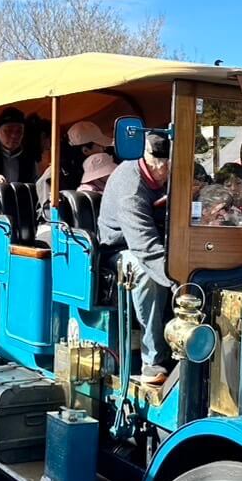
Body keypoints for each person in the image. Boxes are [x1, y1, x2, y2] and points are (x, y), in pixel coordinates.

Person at [98, 131, 174, 385]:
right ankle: (153, 361)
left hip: (162, 243)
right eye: (158, 161)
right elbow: (145, 247)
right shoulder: (130, 187)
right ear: (144, 155)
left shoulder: (177, 174)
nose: (164, 168)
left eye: (169, 161)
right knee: (144, 270)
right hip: (117, 250)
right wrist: (178, 281)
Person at [0, 107, 39, 185]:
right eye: (8, 130)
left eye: (19, 131)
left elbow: (36, 182)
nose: (14, 135)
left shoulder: (29, 156)